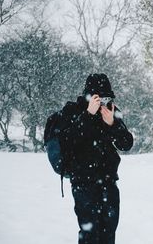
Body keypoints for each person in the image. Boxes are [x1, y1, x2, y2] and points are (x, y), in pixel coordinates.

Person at [59, 73, 134, 244]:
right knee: (89, 233)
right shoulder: (73, 110)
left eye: (106, 97)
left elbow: (126, 144)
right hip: (83, 182)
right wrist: (88, 115)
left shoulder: (112, 111)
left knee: (109, 231)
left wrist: (112, 125)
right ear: (89, 95)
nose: (102, 102)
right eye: (98, 97)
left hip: (108, 181)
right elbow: (68, 142)